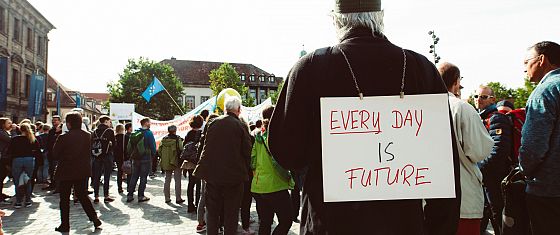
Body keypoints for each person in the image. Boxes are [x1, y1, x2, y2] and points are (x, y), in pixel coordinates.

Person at [267, 1, 462, 233]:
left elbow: (287, 153)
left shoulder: (309, 68)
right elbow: (445, 165)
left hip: (329, 225)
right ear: (380, 17)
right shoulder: (421, 69)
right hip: (403, 226)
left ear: (335, 19)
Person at [438, 62, 494, 235]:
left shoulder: (421, 108)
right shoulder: (462, 108)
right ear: (455, 82)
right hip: (463, 196)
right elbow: (480, 151)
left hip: (430, 197)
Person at [194, 96, 252, 235]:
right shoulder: (240, 125)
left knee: (212, 212)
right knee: (231, 214)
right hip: (234, 177)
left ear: (225, 109)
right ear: (238, 109)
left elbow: (204, 147)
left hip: (213, 175)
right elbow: (247, 151)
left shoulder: (213, 123)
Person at [519, 41, 560, 234]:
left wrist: (525, 170)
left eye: (526, 62)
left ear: (542, 59)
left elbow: (534, 146)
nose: (524, 69)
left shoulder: (545, 92)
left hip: (549, 191)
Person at [52, 112, 101, 232]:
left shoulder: (63, 137)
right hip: (82, 170)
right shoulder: (88, 135)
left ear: (68, 123)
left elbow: (54, 154)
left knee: (64, 199)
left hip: (66, 171)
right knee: (82, 196)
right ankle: (94, 218)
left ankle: (65, 224)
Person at [475, 85, 513, 235]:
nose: (478, 100)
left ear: (493, 99)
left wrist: (477, 168)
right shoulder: (480, 118)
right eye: (476, 96)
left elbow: (498, 152)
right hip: (485, 181)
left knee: (498, 219)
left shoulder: (497, 118)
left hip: (495, 182)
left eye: (483, 97)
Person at [252, 116, 294, 235]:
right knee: (286, 221)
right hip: (276, 185)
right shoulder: (277, 139)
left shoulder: (258, 139)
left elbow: (252, 160)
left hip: (259, 186)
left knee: (265, 222)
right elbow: (282, 161)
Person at [196, 113, 220, 233]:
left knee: (203, 196)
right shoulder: (211, 137)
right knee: (209, 198)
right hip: (212, 172)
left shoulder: (203, 136)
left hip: (205, 171)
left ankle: (201, 222)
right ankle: (207, 224)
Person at [7, 123, 40, 208]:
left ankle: (18, 201)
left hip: (17, 160)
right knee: (28, 181)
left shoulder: (15, 139)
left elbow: (9, 151)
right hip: (29, 160)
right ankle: (28, 200)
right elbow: (38, 152)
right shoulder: (33, 139)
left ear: (20, 129)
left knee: (17, 181)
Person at [127, 118, 156, 203]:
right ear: (146, 123)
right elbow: (153, 146)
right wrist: (153, 154)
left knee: (134, 176)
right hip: (146, 158)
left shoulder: (135, 132)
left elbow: (129, 147)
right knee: (143, 177)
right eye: (149, 122)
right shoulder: (149, 133)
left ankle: (130, 195)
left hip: (136, 158)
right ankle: (141, 196)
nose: (150, 124)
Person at [91, 115, 116, 203]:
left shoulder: (94, 131)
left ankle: (96, 196)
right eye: (109, 122)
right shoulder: (109, 131)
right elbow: (114, 143)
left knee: (96, 176)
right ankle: (106, 195)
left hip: (96, 156)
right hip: (107, 155)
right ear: (106, 121)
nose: (110, 123)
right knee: (106, 176)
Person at [159, 125, 184, 204]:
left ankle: (167, 198)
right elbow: (181, 148)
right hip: (176, 161)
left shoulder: (164, 139)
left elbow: (159, 151)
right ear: (175, 130)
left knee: (167, 179)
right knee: (177, 180)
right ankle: (178, 198)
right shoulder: (178, 139)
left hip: (166, 162)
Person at [184, 115, 204, 212]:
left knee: (190, 184)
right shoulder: (202, 134)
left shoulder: (188, 134)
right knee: (199, 184)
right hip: (198, 162)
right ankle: (198, 204)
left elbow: (184, 147)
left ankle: (190, 205)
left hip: (190, 162)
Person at [43, 115, 62, 191]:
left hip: (58, 154)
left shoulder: (62, 130)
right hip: (51, 153)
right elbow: (49, 142)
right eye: (53, 120)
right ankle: (53, 184)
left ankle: (58, 186)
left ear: (59, 121)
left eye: (56, 120)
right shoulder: (51, 130)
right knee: (51, 169)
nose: (54, 122)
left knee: (56, 170)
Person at [114, 124, 129, 193]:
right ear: (123, 129)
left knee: (119, 172)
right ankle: (129, 187)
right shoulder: (126, 137)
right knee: (129, 172)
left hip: (117, 157)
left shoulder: (114, 137)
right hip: (125, 157)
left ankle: (119, 188)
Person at [0, 118, 11, 204]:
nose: (11, 125)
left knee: (2, 177)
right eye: (8, 123)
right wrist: (14, 131)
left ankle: (1, 194)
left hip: (4, 157)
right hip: (2, 157)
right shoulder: (1, 133)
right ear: (3, 124)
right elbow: (10, 140)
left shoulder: (4, 132)